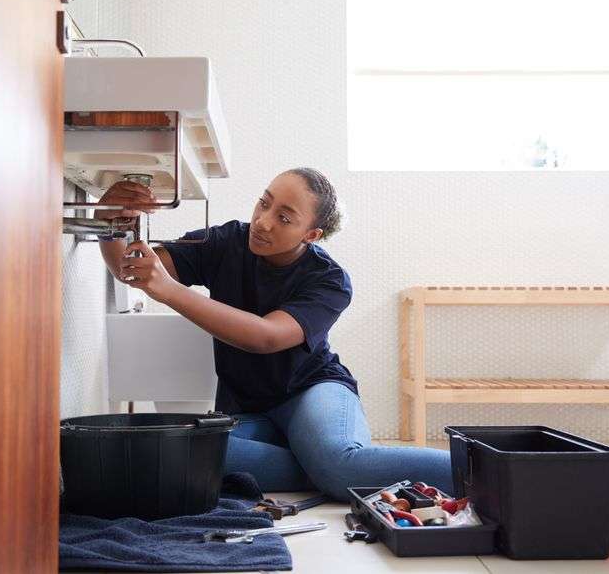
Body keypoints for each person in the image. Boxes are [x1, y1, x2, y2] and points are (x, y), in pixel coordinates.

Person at [96, 168, 452, 500]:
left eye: (284, 218)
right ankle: (319, 465)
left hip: (312, 390)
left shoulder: (329, 280)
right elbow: (132, 269)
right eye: (264, 203)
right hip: (248, 407)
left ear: (311, 235)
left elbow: (265, 336)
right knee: (182, 454)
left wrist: (170, 290)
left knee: (338, 461)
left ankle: (480, 466)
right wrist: (110, 220)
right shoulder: (227, 241)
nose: (263, 223)